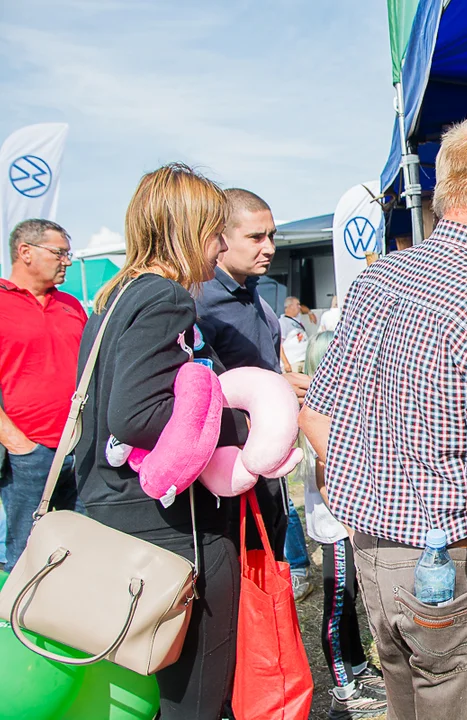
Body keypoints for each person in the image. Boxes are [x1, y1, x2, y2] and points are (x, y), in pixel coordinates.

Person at [299, 114, 467, 720]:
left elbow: (317, 419)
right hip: (460, 585)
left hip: (378, 566)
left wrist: (373, 503)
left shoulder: (378, 280)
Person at [74, 164, 251, 719]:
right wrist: (232, 425)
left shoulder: (114, 297)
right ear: (188, 230)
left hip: (114, 519)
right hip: (173, 534)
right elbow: (137, 415)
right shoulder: (164, 299)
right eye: (216, 230)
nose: (221, 244)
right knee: (195, 696)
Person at [193, 188, 311, 600]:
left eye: (273, 235)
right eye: (257, 237)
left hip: (267, 463)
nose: (270, 247)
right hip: (227, 469)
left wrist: (285, 384)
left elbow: (264, 372)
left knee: (269, 562)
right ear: (221, 239)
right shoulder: (200, 303)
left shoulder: (256, 296)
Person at [301, 331, 387, 719]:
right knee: (337, 606)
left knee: (348, 601)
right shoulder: (321, 413)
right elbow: (326, 477)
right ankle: (343, 690)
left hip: (343, 524)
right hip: (337, 527)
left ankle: (356, 665)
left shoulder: (329, 405)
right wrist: (352, 525)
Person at [0, 219, 87, 571]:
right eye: (59, 253)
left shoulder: (71, 306)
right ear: (25, 252)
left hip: (77, 449)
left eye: (68, 254)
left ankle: (62, 621)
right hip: (26, 455)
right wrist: (17, 442)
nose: (66, 261)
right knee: (21, 551)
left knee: (76, 548)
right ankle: (12, 622)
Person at [279, 296, 310, 372]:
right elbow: (279, 344)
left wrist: (310, 313)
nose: (300, 307)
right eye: (297, 304)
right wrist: (286, 363)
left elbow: (304, 309)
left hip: (303, 360)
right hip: (293, 362)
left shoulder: (297, 319)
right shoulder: (282, 322)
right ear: (290, 306)